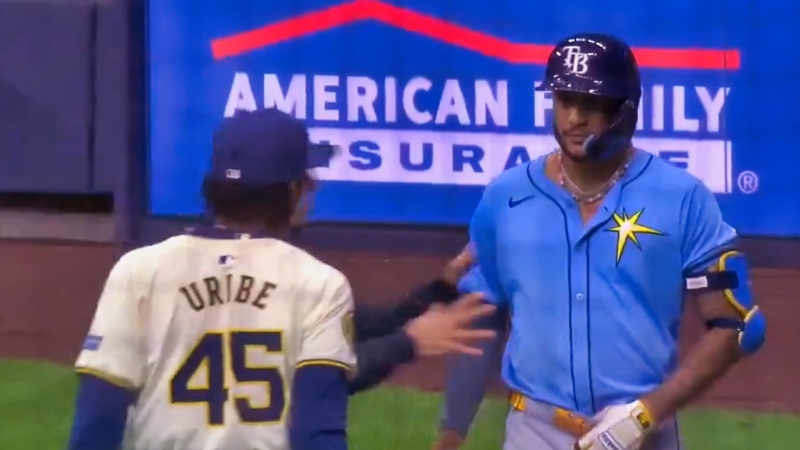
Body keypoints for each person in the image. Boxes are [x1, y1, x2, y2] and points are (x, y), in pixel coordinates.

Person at [67, 107, 495, 450]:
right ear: (290, 191)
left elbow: (97, 421)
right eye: (308, 180)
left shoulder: (138, 270)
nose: (313, 188)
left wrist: (435, 292)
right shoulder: (313, 281)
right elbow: (318, 427)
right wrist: (410, 342)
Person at [432, 33, 766, 450]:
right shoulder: (506, 196)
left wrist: (646, 414)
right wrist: (449, 438)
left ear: (625, 109)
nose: (574, 117)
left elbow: (739, 325)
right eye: (564, 100)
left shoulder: (681, 197)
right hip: (534, 432)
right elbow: (479, 319)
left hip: (646, 435)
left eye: (591, 103)